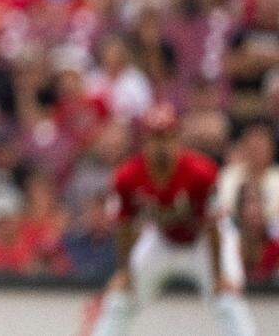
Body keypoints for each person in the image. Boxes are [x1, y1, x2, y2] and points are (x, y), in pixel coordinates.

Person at [90, 104, 257, 336]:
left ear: (178, 139)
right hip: (163, 238)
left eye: (168, 137)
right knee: (120, 298)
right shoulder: (128, 177)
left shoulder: (201, 172)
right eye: (156, 138)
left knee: (227, 299)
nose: (162, 146)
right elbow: (125, 226)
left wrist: (219, 276)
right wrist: (125, 271)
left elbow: (211, 226)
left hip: (204, 241)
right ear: (145, 141)